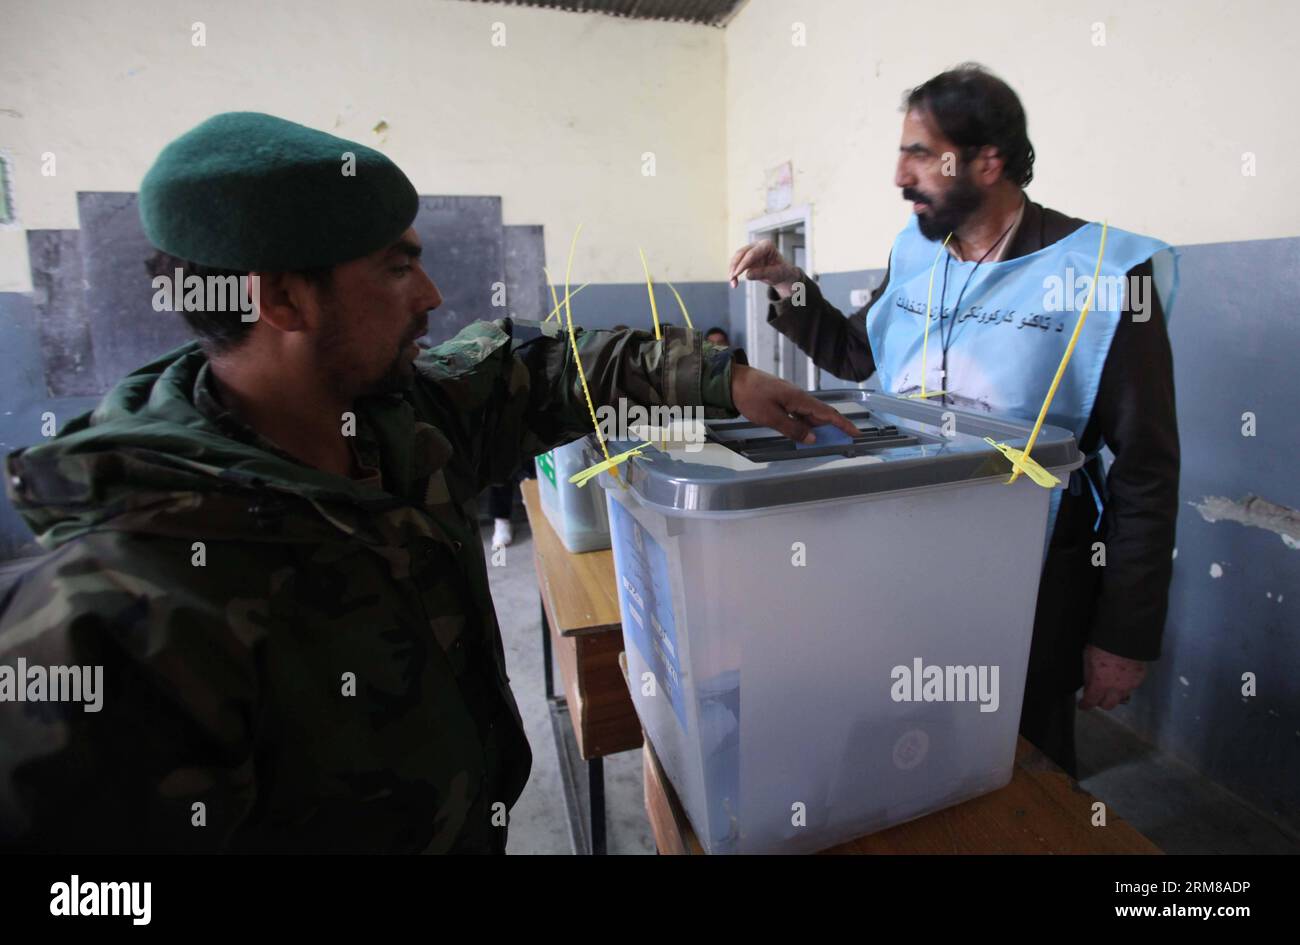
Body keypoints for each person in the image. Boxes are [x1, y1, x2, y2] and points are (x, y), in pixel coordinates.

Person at [0, 111, 856, 853]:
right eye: (396, 267)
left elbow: (551, 371)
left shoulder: (403, 420)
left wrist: (723, 379)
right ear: (284, 300)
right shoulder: (117, 620)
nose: (433, 294)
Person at [728, 65, 1179, 777]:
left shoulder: (1105, 274)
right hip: (900, 564)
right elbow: (857, 352)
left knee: (1020, 770)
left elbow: (1148, 468)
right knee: (905, 751)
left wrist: (1124, 634)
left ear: (987, 161)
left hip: (1030, 584)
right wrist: (788, 284)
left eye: (918, 153)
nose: (900, 175)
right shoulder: (917, 254)